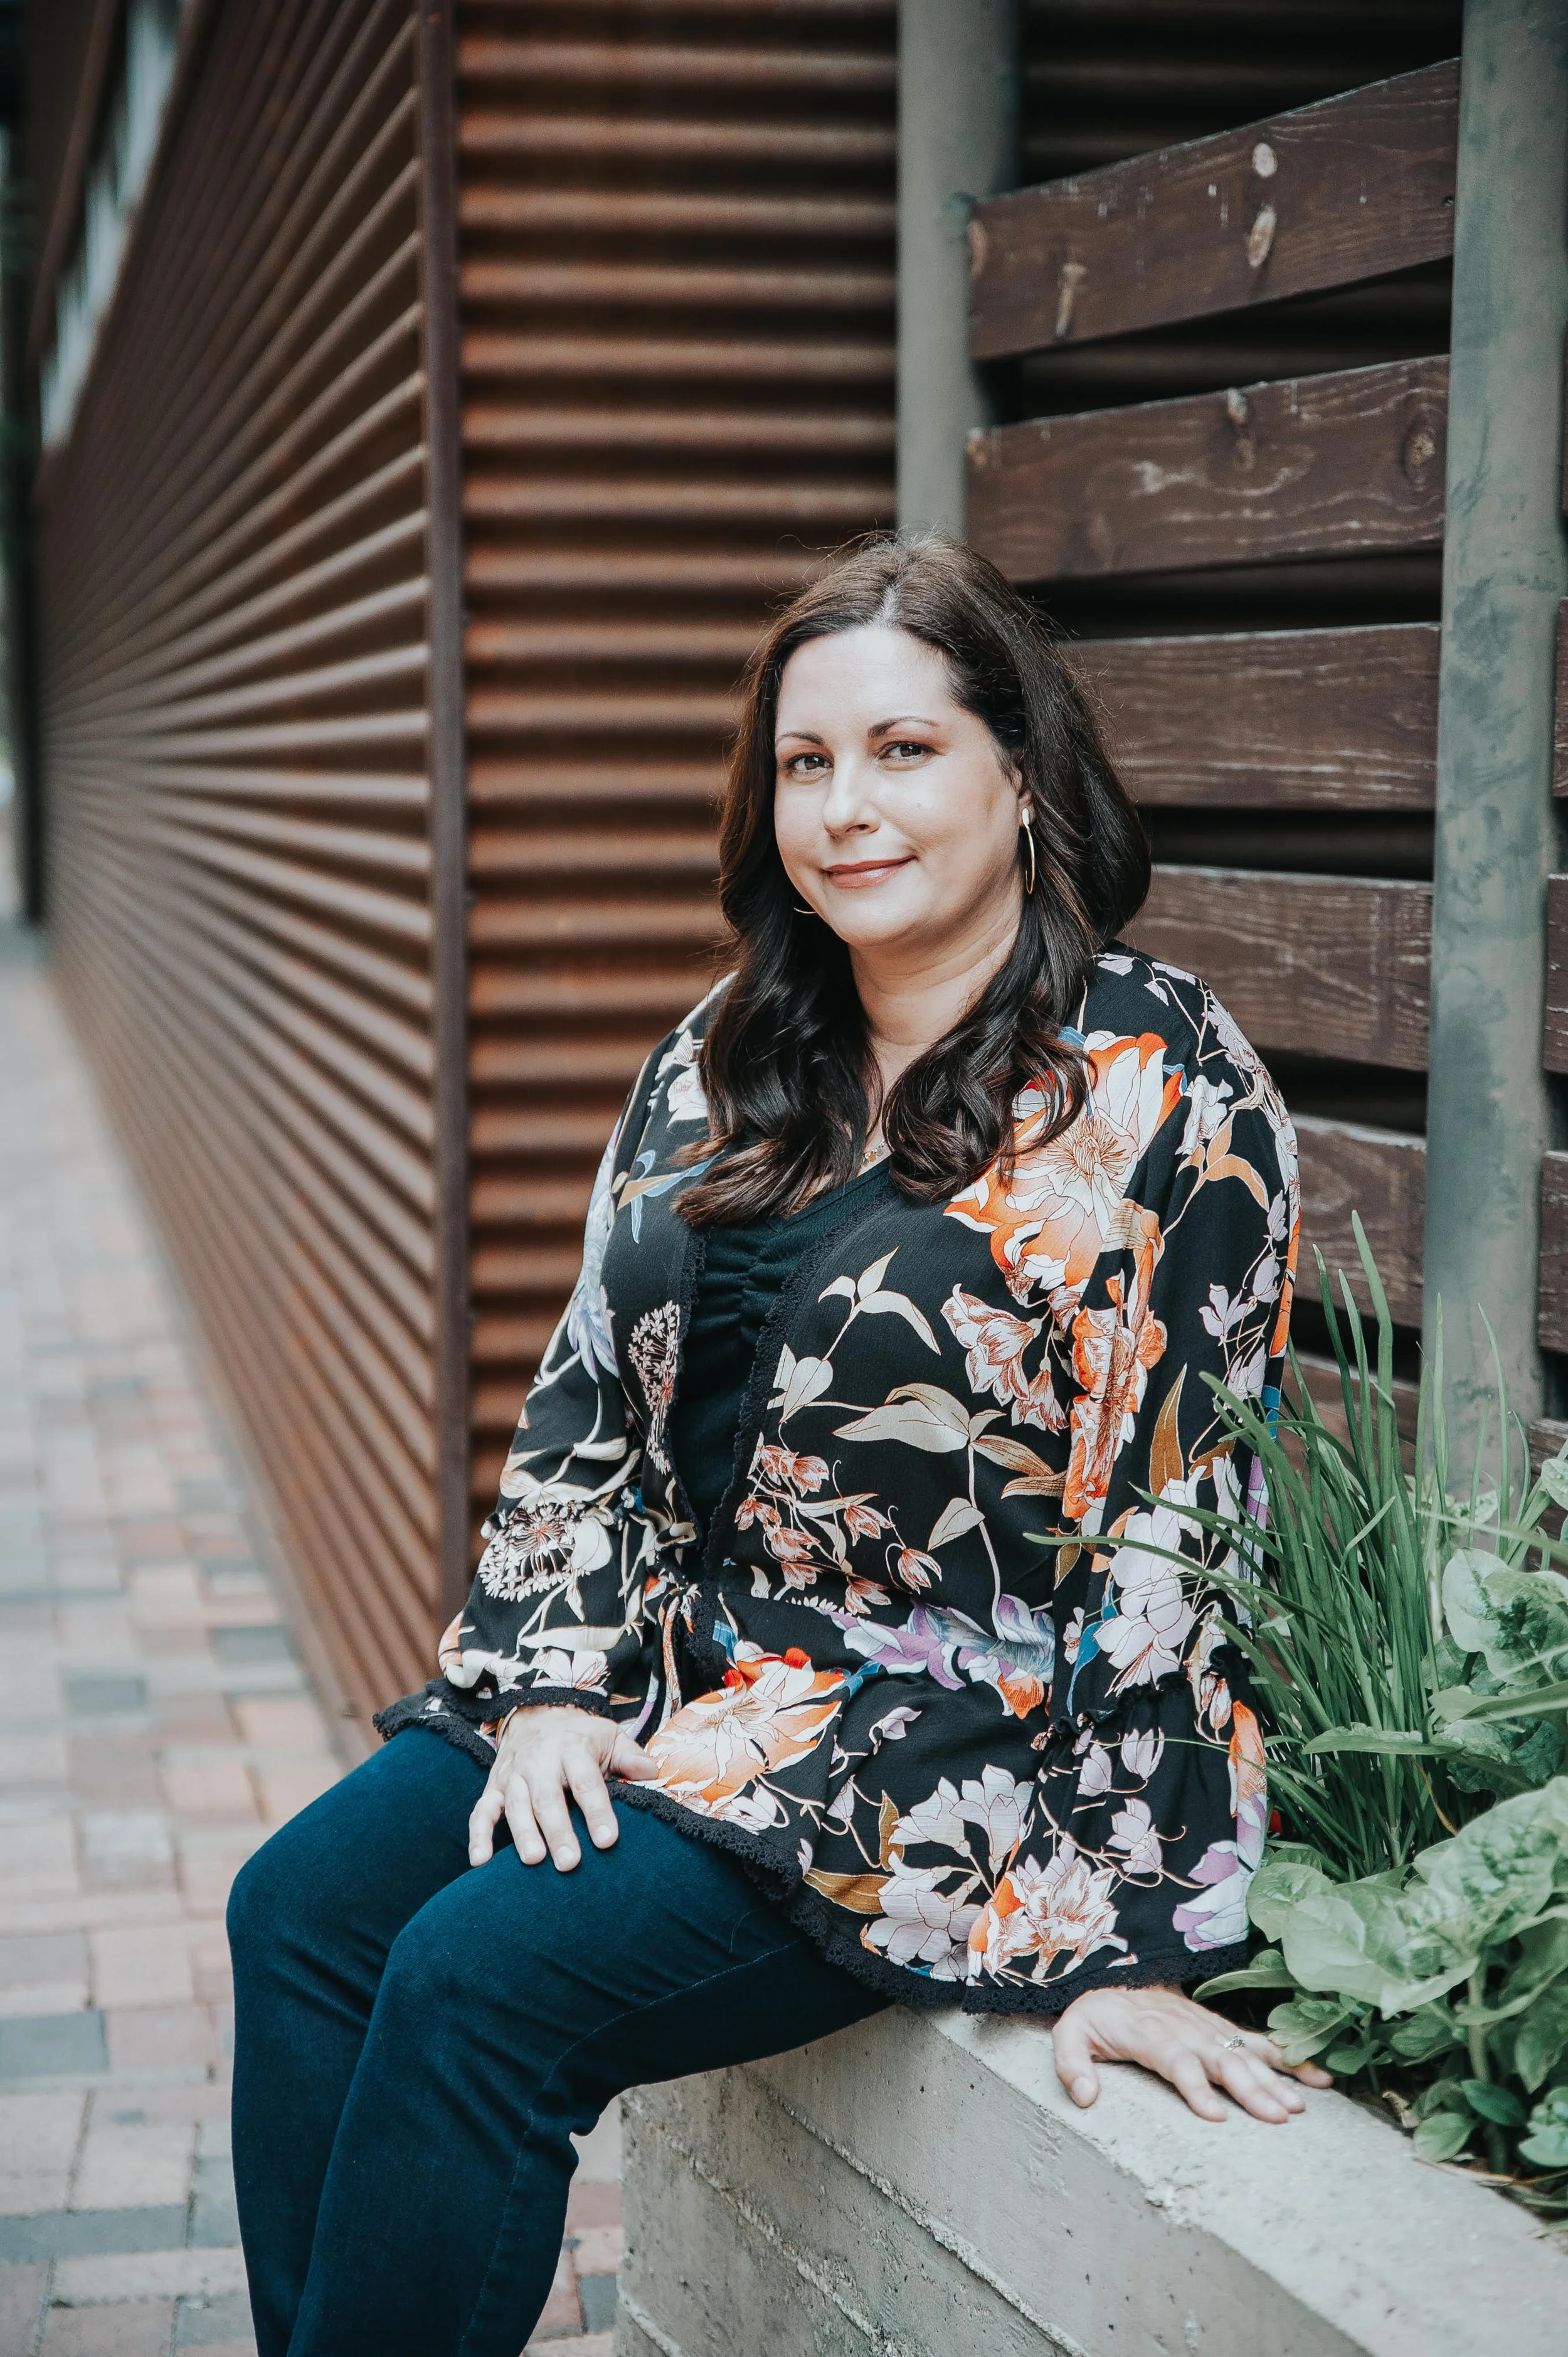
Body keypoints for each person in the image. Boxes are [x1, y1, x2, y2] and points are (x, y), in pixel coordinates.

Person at [227, 536, 1330, 2357]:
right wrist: (554, 1683)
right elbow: (588, 1393)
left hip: (919, 1736)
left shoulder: (1161, 1088)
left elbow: (1176, 1511)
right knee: (303, 1914)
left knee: (474, 1982)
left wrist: (1130, 1929)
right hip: (667, 1666)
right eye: (806, 763)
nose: (847, 807)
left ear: (1020, 778)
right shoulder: (728, 1046)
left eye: (903, 750)